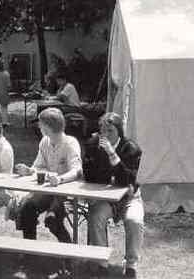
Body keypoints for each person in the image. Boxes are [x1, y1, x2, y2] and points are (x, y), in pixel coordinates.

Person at [83, 113, 143, 278]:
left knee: (134, 220)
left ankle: (131, 264)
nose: (105, 135)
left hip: (129, 198)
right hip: (106, 197)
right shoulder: (93, 145)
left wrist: (112, 155)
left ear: (119, 131)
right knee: (96, 216)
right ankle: (101, 262)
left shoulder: (131, 148)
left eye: (110, 131)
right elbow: (89, 176)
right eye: (102, 130)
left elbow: (128, 181)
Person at [15, 108, 82, 243]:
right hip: (47, 190)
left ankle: (68, 253)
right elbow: (38, 166)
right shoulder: (45, 142)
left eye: (40, 124)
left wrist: (60, 179)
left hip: (66, 192)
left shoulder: (70, 143)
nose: (38, 126)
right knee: (27, 208)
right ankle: (30, 249)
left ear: (47, 127)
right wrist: (29, 171)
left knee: (52, 219)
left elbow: (77, 170)